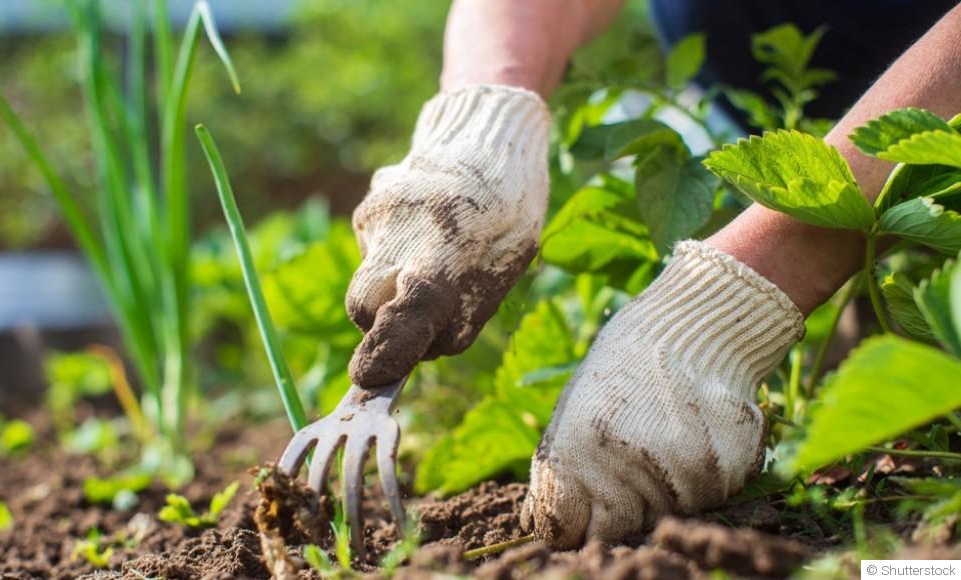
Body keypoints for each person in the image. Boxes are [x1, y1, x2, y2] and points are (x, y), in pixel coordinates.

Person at [343, 0, 961, 548]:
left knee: (910, 562)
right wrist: (481, 129)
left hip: (929, 167)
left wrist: (728, 308)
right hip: (816, 167)